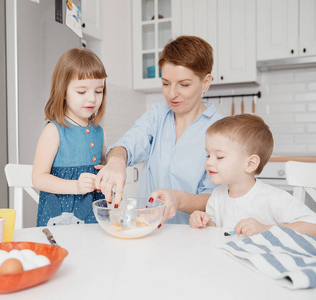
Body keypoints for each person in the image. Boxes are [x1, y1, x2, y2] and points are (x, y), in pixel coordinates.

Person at [95, 36, 223, 225]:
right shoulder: (157, 116)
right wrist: (116, 161)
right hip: (148, 230)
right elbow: (128, 143)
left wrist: (178, 199)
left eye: (184, 85)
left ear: (205, 82)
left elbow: (218, 198)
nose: (172, 94)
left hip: (194, 237)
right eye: (165, 83)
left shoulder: (221, 129)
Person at [189, 114, 316, 238]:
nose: (209, 162)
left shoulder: (272, 198)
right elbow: (220, 233)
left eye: (219, 157)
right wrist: (205, 222)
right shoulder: (217, 195)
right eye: (208, 155)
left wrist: (266, 229)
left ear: (250, 163)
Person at [32, 48, 107, 227]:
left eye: (99, 91)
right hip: (60, 222)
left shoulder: (99, 132)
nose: (92, 99)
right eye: (82, 92)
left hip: (94, 220)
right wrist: (76, 187)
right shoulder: (54, 131)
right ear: (63, 91)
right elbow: (38, 178)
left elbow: (102, 168)